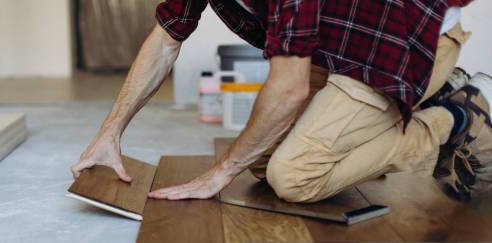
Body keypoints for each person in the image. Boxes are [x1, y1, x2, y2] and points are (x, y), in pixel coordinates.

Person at [71, 0, 491, 203]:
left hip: (404, 42)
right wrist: (110, 133)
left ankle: (451, 117)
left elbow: (290, 87)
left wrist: (218, 174)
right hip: (340, 43)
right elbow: (166, 38)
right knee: (259, 167)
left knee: (292, 176)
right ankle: (396, 113)